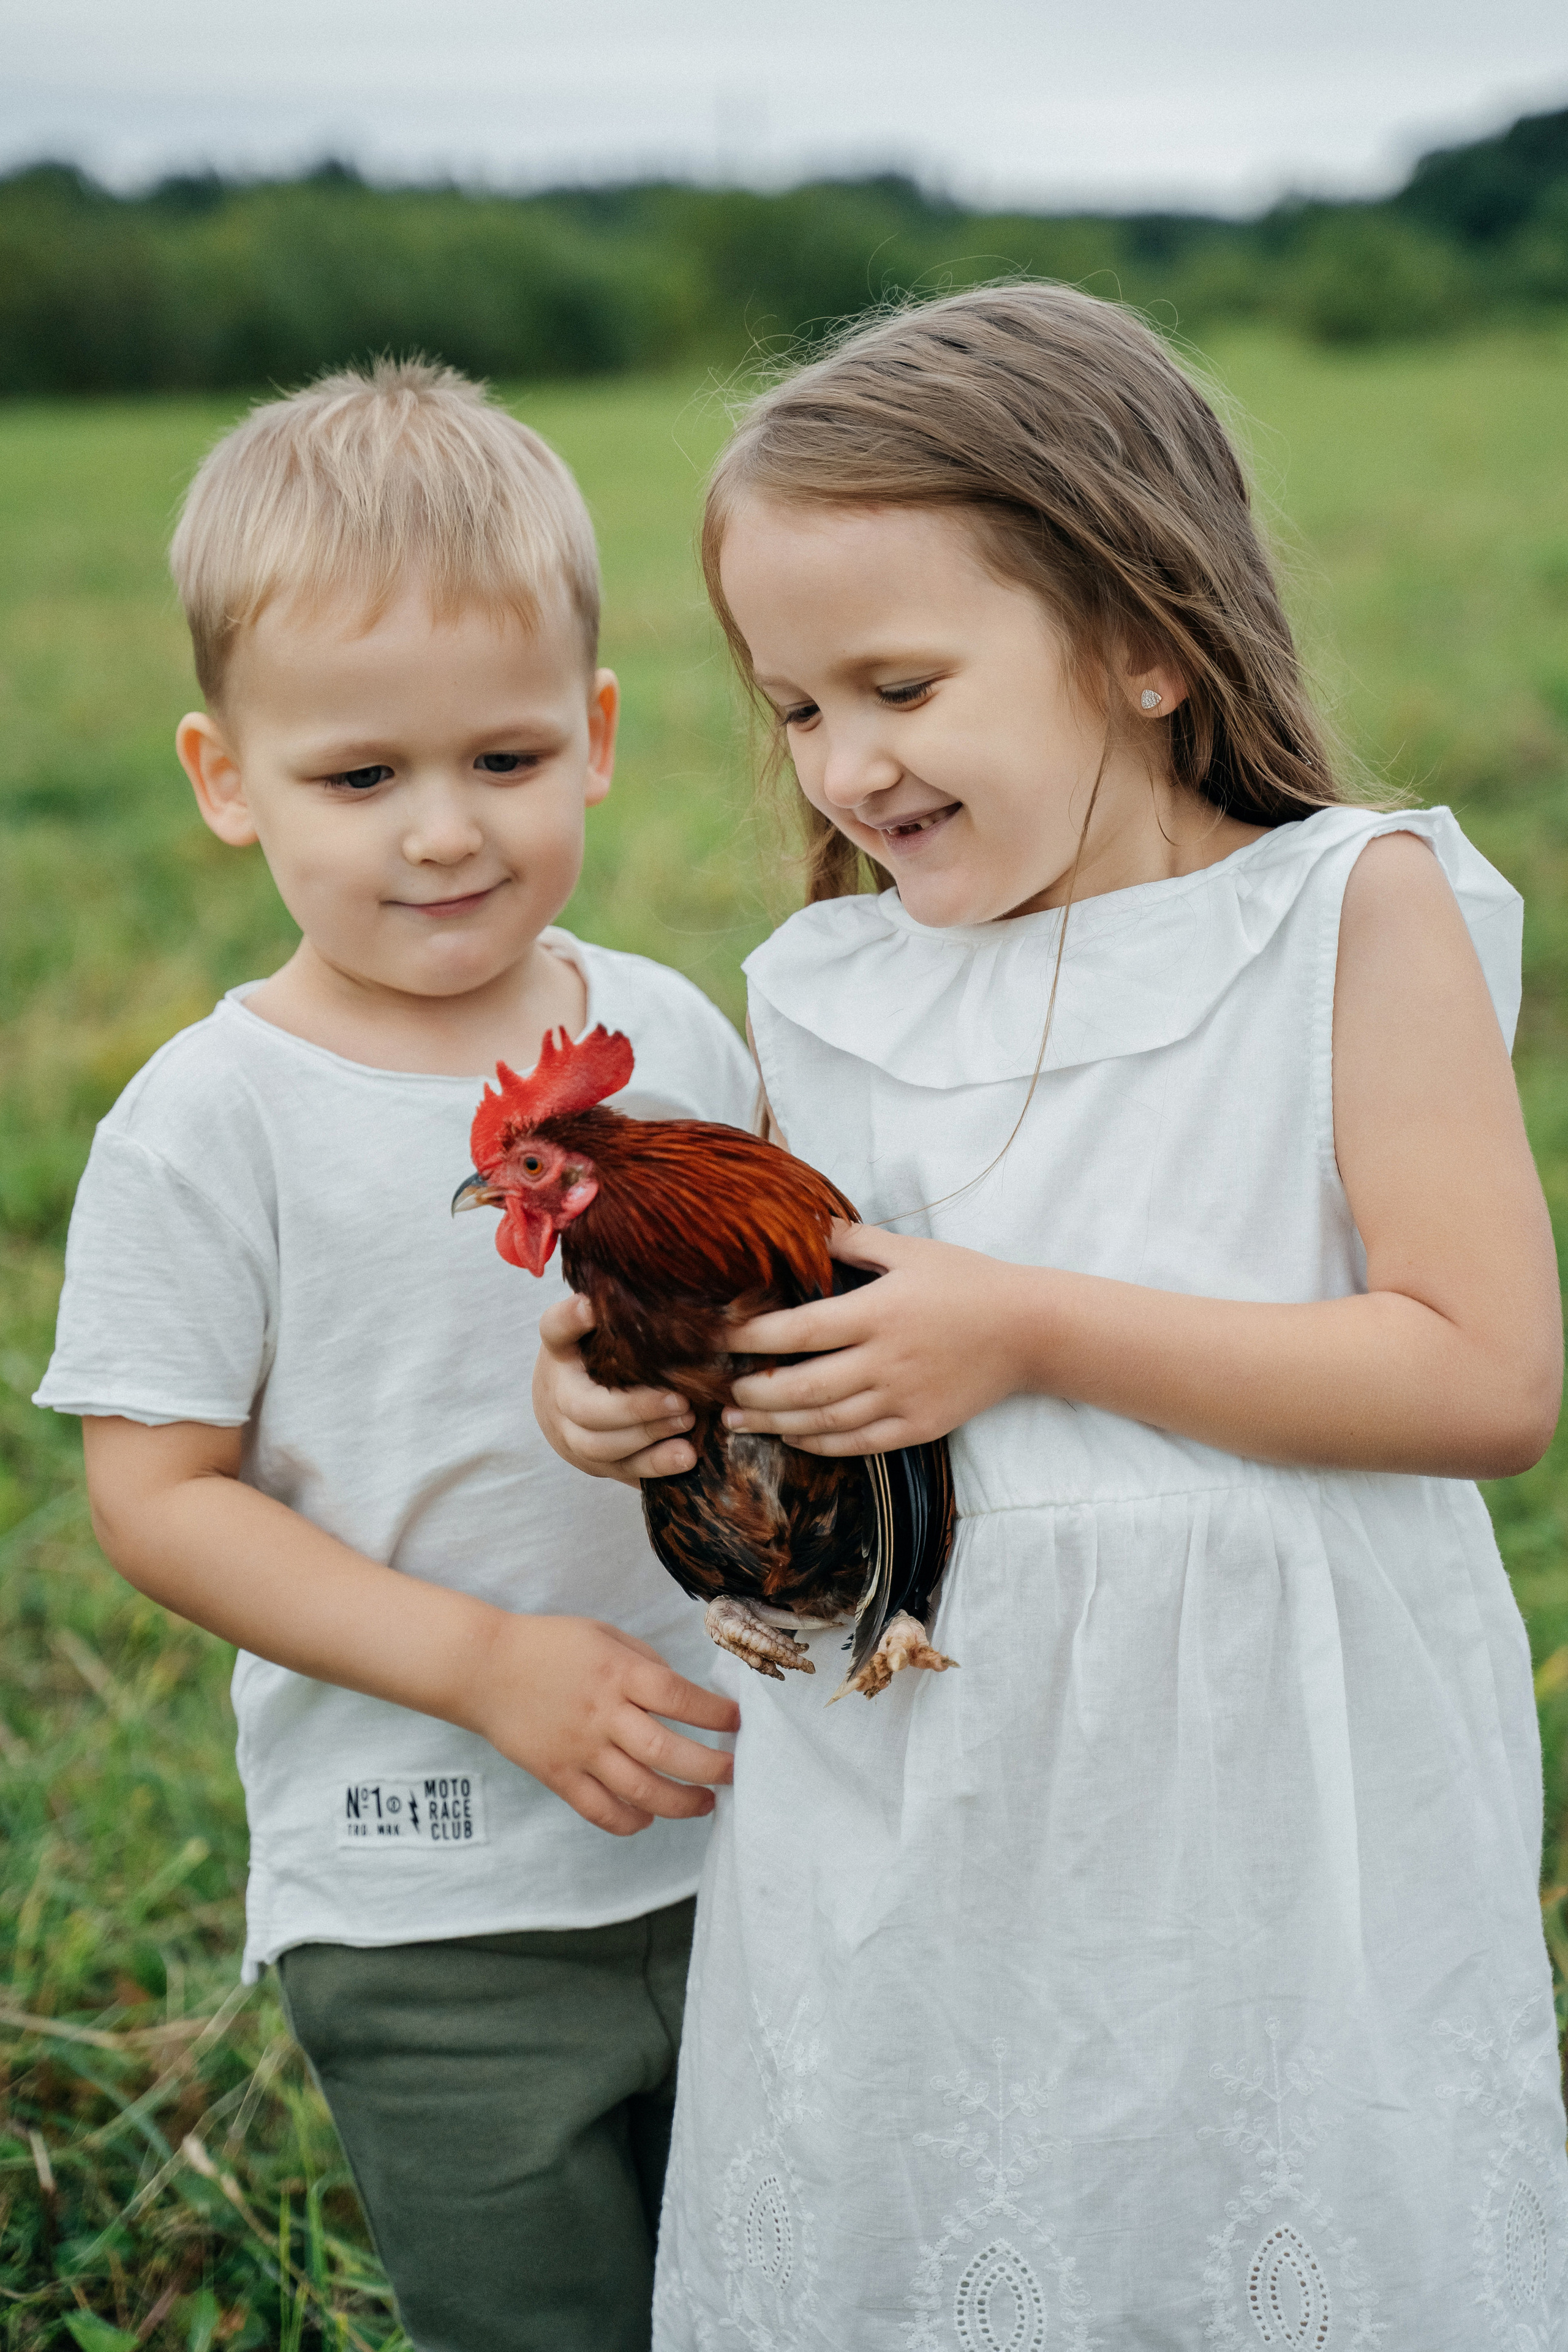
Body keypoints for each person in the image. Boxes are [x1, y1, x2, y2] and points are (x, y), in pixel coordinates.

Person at [533, 287, 1568, 2345]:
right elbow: (809, 1330)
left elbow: (1487, 1374)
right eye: (799, 706)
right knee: (948, 2197)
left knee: (1249, 2188)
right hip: (924, 1766)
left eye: (901, 684)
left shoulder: (1342, 912)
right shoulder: (832, 984)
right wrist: (638, 1385)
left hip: (1266, 1778)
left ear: (1145, 637)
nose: (847, 763)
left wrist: (1032, 1331)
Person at [33, 358, 753, 2352]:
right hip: (427, 1888)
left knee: (776, 2287)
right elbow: (154, 1498)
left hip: (744, 1820)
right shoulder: (209, 1121)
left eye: (507, 761)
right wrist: (481, 1663)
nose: (445, 835)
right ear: (225, 779)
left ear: (597, 737)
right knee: (538, 2316)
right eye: (362, 781)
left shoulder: (679, 1035)